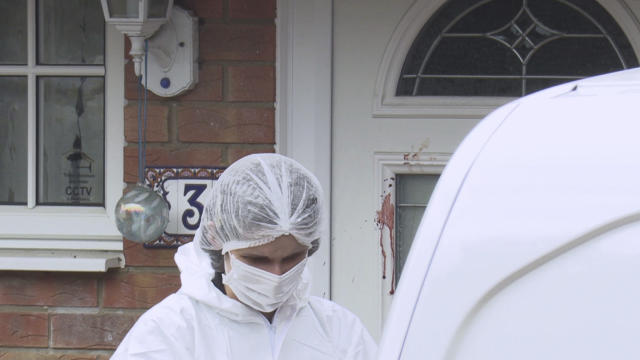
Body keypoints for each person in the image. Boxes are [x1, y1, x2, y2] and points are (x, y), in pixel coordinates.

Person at [111, 153, 377, 359]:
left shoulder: (338, 330)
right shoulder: (171, 331)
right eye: (257, 260)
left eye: (291, 258)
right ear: (217, 240)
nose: (276, 275)